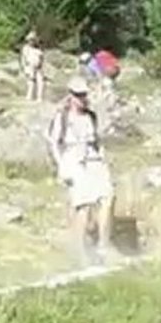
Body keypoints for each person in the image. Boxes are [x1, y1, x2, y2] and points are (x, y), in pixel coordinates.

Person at [45, 76, 118, 266]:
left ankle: (103, 245)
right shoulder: (62, 117)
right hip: (73, 161)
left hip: (94, 159)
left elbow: (97, 140)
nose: (82, 99)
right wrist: (62, 167)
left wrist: (103, 159)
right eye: (78, 95)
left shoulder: (91, 116)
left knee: (107, 197)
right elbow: (54, 143)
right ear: (70, 96)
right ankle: (81, 252)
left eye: (84, 95)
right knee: (83, 207)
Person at [20, 30, 45, 102]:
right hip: (29, 66)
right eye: (30, 40)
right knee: (30, 82)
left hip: (38, 67)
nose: (32, 42)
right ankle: (29, 96)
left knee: (40, 82)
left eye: (33, 40)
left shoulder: (39, 48)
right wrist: (24, 67)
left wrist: (41, 64)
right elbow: (23, 58)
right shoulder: (26, 48)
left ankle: (39, 97)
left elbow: (42, 58)